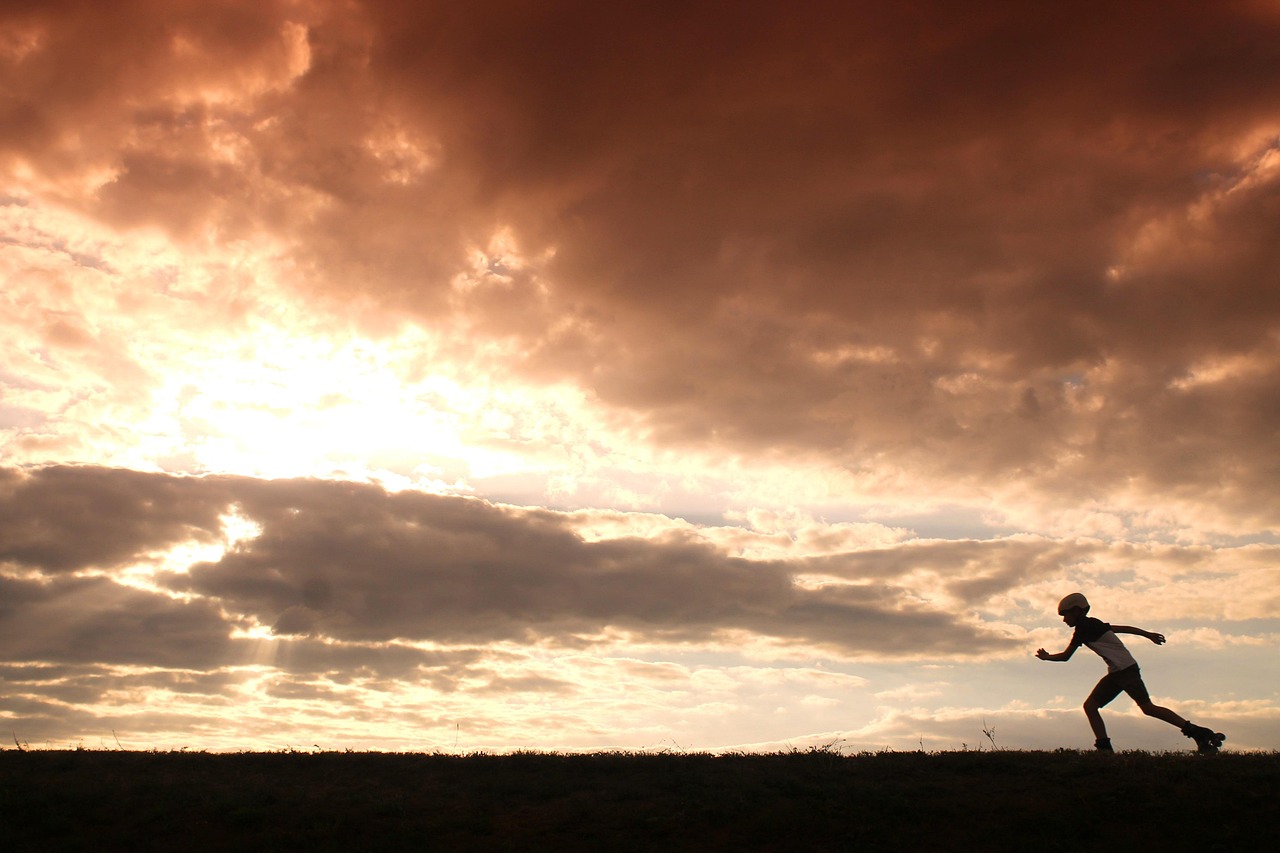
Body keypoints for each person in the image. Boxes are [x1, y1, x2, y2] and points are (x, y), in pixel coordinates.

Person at [1035, 592, 1225, 753]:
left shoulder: (1083, 628)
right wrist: (1147, 634)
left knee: (1147, 708)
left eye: (1066, 615)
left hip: (1125, 671)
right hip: (1119, 672)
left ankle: (1200, 733)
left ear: (1077, 611)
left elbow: (1066, 657)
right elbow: (1123, 628)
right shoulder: (1093, 624)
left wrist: (1047, 657)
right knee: (1091, 706)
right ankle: (1104, 748)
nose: (1064, 619)